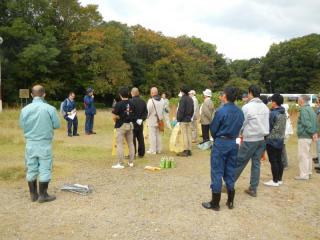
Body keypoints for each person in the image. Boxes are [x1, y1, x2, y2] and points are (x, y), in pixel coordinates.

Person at [202, 87, 244, 211]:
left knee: (216, 171)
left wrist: (218, 137)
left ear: (225, 96)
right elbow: (240, 125)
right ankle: (230, 201)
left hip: (221, 142)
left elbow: (213, 129)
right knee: (230, 170)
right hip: (233, 142)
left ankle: (215, 203)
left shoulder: (221, 111)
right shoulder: (240, 111)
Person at [20, 85, 60, 203]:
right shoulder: (50, 109)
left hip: (30, 144)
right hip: (44, 143)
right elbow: (57, 125)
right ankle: (43, 195)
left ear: (32, 95)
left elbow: (22, 126)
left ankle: (33, 194)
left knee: (31, 168)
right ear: (44, 95)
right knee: (45, 168)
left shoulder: (24, 109)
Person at [234, 85, 270, 197]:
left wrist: (237, 133)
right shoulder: (265, 107)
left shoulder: (247, 107)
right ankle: (253, 188)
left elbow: (241, 123)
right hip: (262, 139)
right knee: (256, 164)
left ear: (250, 93)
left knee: (240, 162)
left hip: (250, 139)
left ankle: (228, 184)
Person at [263, 94, 286, 187]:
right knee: (279, 160)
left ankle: (274, 180)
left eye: (272, 101)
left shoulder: (273, 113)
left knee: (273, 161)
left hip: (272, 139)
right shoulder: (283, 112)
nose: (271, 102)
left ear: (274, 102)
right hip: (280, 138)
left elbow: (268, 126)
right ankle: (279, 179)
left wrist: (266, 137)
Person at [112, 87, 136, 169]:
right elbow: (134, 114)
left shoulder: (118, 104)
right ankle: (131, 162)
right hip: (130, 125)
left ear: (120, 95)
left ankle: (121, 163)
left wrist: (119, 117)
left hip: (121, 126)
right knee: (131, 144)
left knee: (120, 144)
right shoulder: (132, 103)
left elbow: (114, 116)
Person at [295, 95, 318, 180]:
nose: (297, 101)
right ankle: (308, 172)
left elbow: (306, 123)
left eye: (298, 100)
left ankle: (304, 175)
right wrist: (314, 132)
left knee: (303, 155)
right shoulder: (311, 109)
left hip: (305, 135)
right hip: (310, 135)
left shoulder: (304, 110)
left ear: (301, 101)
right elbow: (315, 122)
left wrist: (312, 132)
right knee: (308, 155)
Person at [176, 86, 194, 157]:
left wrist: (178, 119)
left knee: (185, 135)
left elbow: (181, 110)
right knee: (189, 134)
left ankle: (186, 150)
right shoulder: (190, 99)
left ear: (182, 91)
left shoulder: (182, 99)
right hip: (189, 119)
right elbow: (192, 110)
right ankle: (189, 150)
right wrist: (190, 116)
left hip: (183, 119)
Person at [130, 87, 148, 158]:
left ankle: (133, 153)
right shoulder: (143, 101)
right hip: (140, 123)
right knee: (140, 138)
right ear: (138, 93)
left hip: (133, 122)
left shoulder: (130, 102)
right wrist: (142, 119)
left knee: (132, 138)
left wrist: (136, 119)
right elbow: (146, 113)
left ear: (132, 93)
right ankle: (141, 153)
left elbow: (131, 113)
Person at [146, 87, 164, 154]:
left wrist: (146, 117)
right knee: (158, 135)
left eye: (151, 92)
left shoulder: (151, 101)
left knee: (152, 135)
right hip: (159, 120)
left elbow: (147, 112)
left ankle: (152, 150)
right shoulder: (162, 100)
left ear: (152, 93)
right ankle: (159, 149)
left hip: (152, 120)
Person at [282, 103, 293, 169]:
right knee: (283, 148)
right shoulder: (286, 114)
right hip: (286, 134)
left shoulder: (284, 115)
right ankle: (284, 163)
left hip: (284, 134)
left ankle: (285, 164)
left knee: (282, 149)